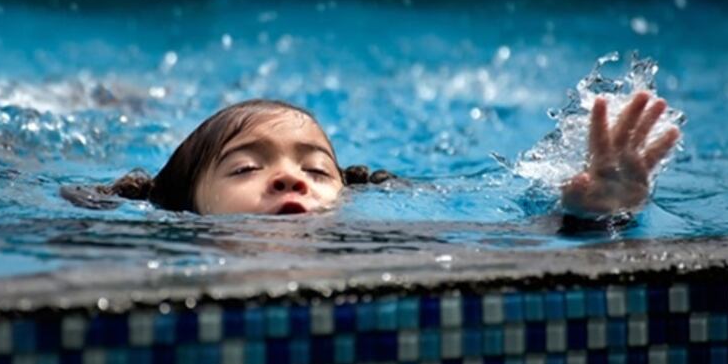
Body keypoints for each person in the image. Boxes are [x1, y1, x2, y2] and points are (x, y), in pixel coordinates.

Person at [61, 93, 680, 223]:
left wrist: (596, 212)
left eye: (316, 169)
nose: (287, 176)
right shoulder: (151, 251)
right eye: (246, 167)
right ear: (185, 205)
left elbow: (516, 245)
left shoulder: (386, 242)